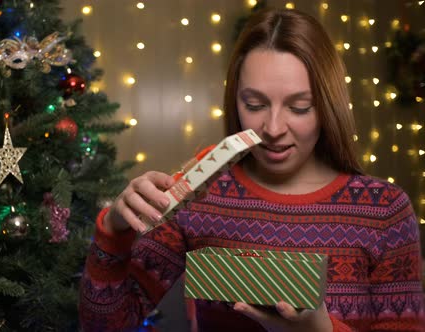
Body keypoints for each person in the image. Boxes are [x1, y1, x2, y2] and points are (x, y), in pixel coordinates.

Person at [79, 8, 425, 332]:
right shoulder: (201, 195)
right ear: (235, 101)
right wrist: (113, 230)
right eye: (255, 104)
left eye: (300, 107)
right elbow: (106, 325)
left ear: (327, 106)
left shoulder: (384, 210)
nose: (273, 128)